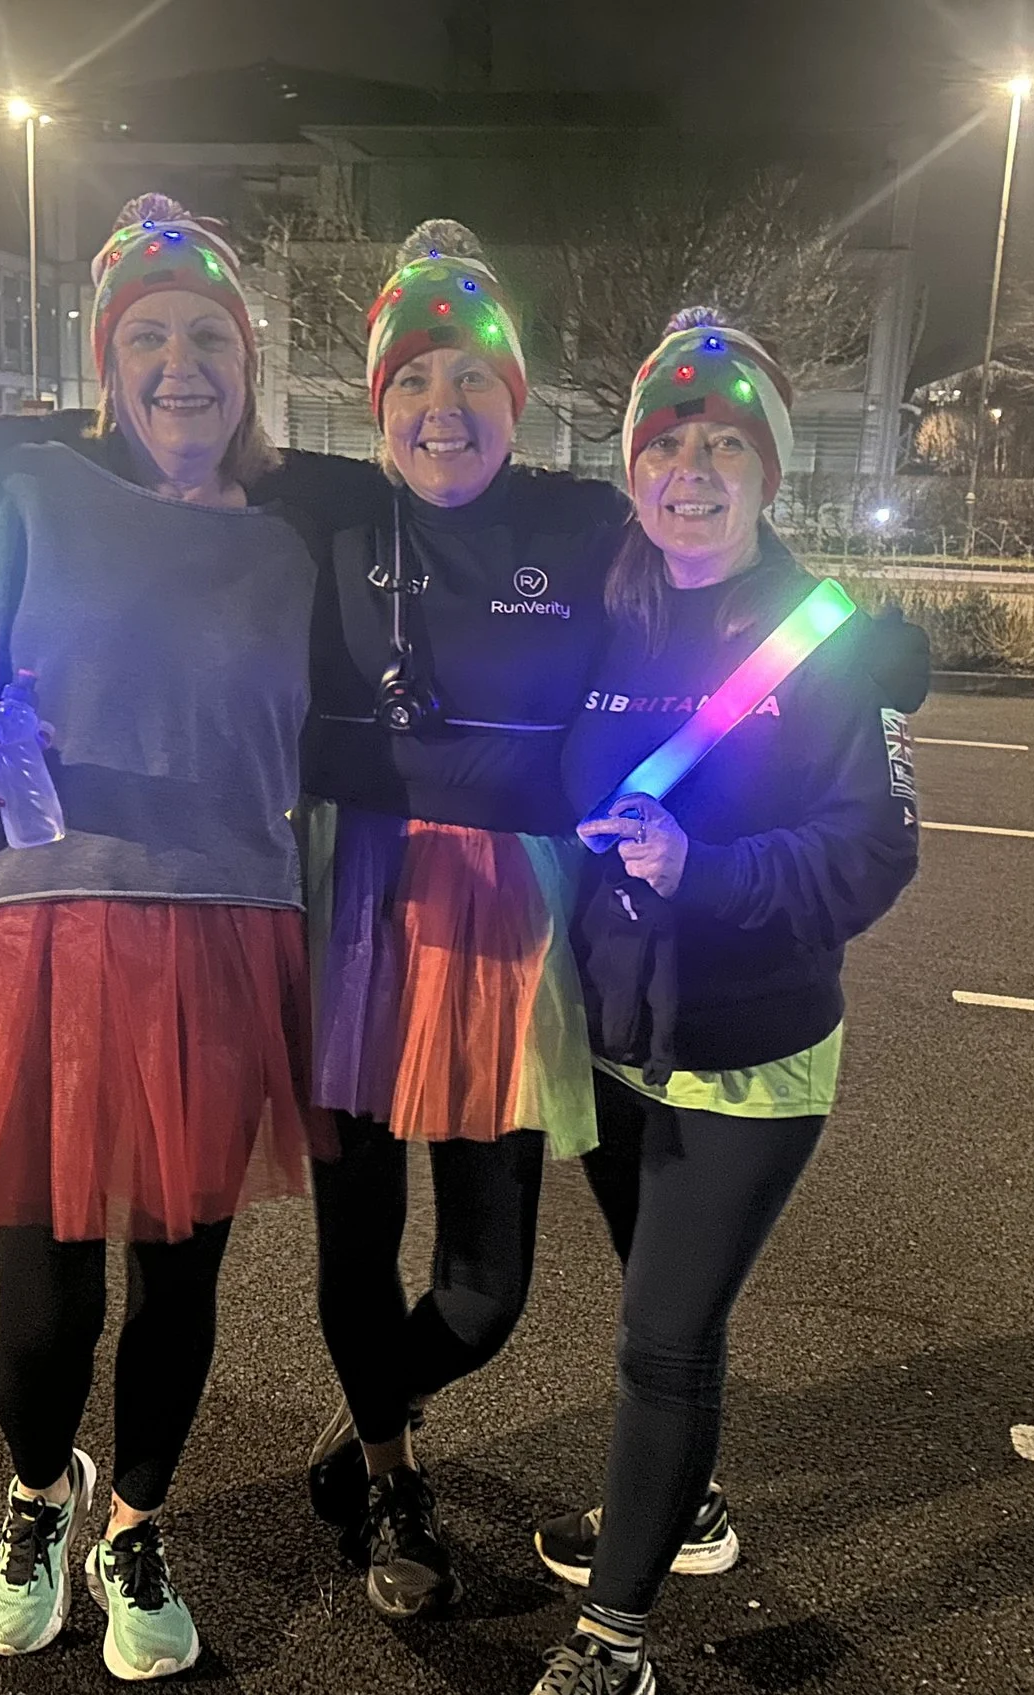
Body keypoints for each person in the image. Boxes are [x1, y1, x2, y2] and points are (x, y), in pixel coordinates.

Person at [0, 195, 316, 1683]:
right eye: (148, 340)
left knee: (181, 1296)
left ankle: (137, 1517)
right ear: (109, 368)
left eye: (209, 339)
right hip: (39, 944)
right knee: (47, 1309)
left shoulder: (301, 548)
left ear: (249, 367)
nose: (182, 366)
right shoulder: (27, 500)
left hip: (227, 949)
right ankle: (38, 1494)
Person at [484, 309, 923, 1695]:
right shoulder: (612, 613)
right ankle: (684, 1502)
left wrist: (705, 872)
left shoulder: (820, 635)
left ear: (769, 473)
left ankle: (614, 1641)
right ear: (634, 466)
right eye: (668, 442)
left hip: (750, 1052)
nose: (692, 469)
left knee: (660, 1334)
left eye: (726, 444)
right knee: (664, 1305)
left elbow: (873, 853)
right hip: (615, 1040)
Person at [296, 221, 632, 1618]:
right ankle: (392, 1478)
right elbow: (120, 465)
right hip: (350, 909)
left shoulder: (582, 522)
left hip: (509, 930)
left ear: (518, 397)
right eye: (411, 382)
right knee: (354, 1245)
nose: (442, 409)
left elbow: (729, 570)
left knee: (485, 1290)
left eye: (470, 380)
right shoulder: (311, 507)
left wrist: (865, 650)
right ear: (378, 406)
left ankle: (376, 1397)